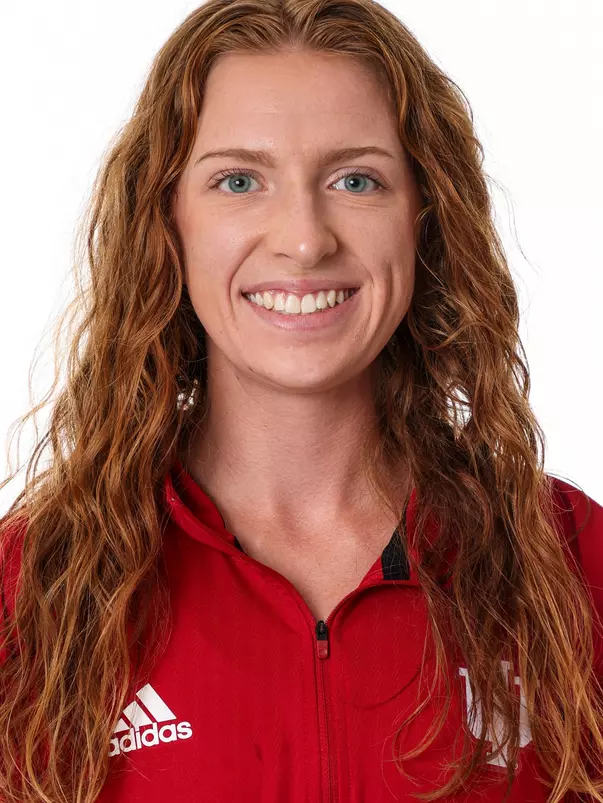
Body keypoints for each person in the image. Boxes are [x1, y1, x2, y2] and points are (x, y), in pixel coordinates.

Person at [0, 0, 602, 801]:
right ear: (167, 219)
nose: (304, 238)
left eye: (356, 179)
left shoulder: (572, 563)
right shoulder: (33, 591)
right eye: (238, 180)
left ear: (424, 217)